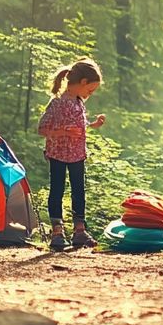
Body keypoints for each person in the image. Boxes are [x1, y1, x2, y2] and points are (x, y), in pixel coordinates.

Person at [38, 57, 106, 250]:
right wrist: (63, 133)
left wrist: (93, 125)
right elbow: (42, 128)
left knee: (79, 191)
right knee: (57, 190)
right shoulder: (57, 103)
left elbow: (80, 126)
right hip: (58, 154)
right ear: (82, 82)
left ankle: (79, 230)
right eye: (90, 90)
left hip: (77, 154)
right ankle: (57, 231)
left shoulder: (78, 102)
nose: (90, 94)